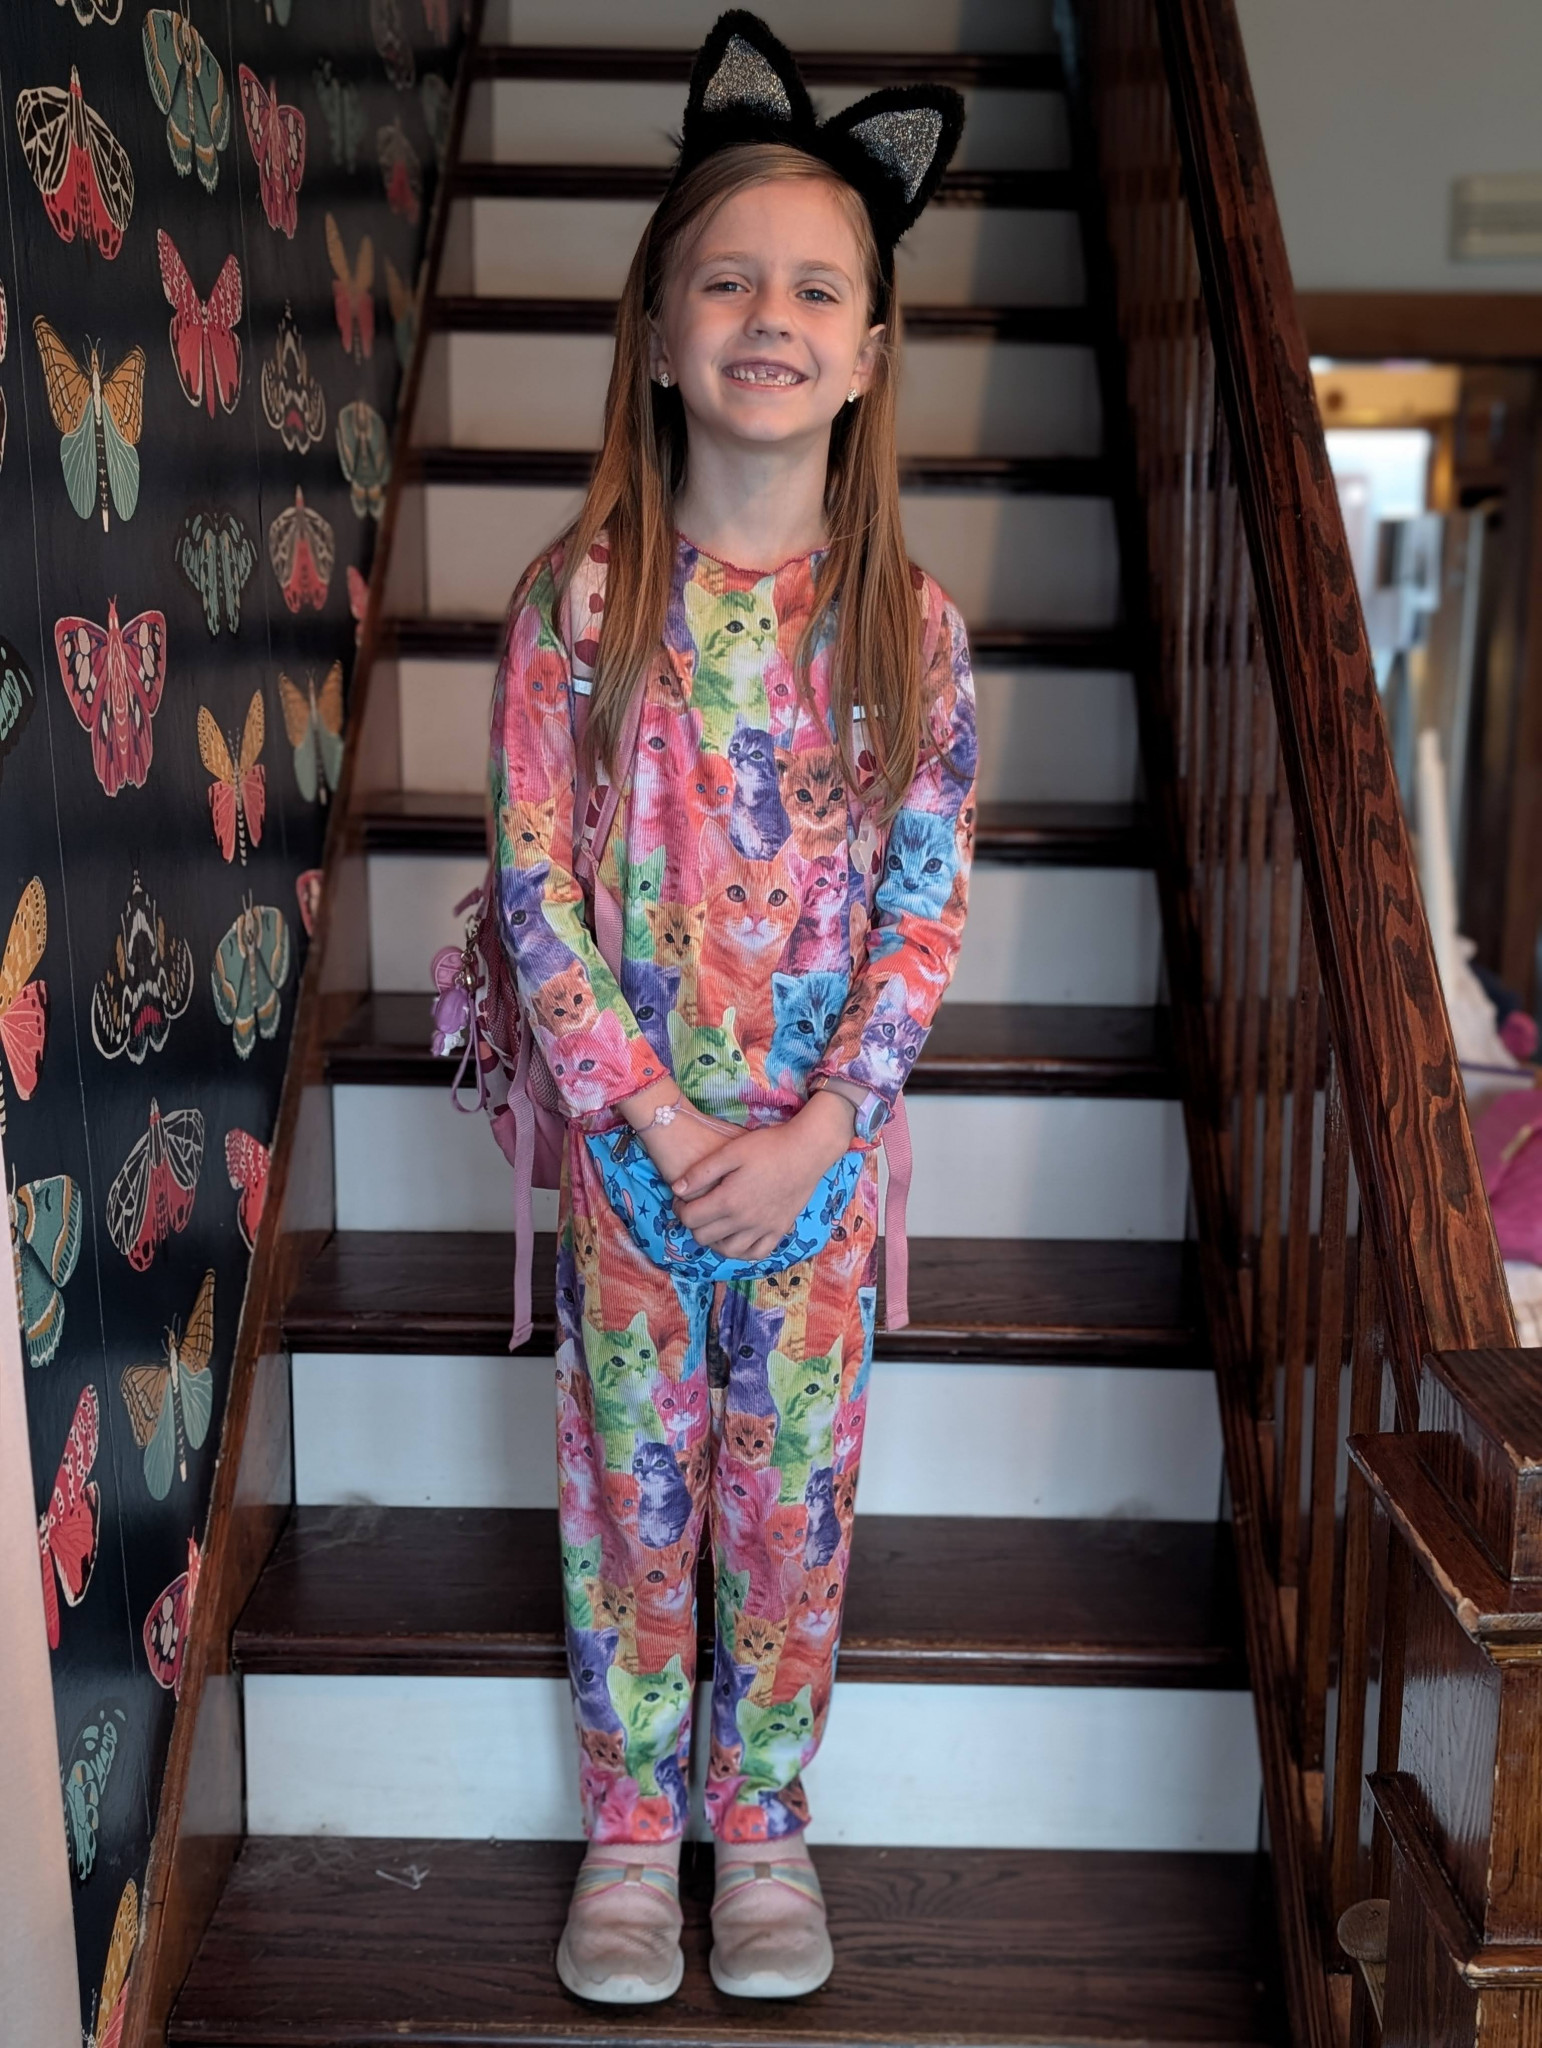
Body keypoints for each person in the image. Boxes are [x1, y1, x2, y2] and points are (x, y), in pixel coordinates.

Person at [488, 10, 977, 2006]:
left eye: (816, 290)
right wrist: (661, 1123)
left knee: (786, 1509)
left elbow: (923, 918)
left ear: (867, 353)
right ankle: (631, 1830)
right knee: (630, 1500)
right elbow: (536, 889)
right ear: (659, 332)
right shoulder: (577, 604)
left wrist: (814, 1136)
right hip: (634, 1169)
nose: (770, 316)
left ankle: (759, 1824)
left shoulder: (910, 630)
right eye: (727, 280)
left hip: (816, 1181)